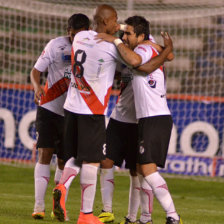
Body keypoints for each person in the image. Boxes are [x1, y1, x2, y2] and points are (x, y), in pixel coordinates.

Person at [52, 4, 173, 224]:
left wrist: (122, 33)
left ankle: (137, 216)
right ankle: (94, 213)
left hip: (80, 109)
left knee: (94, 160)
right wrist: (121, 42)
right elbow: (137, 64)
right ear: (108, 22)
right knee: (97, 161)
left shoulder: (80, 37)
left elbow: (143, 51)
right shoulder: (115, 48)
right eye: (116, 21)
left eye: (126, 29)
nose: (120, 27)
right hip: (103, 113)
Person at [95, 15, 182, 224]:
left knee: (146, 171)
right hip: (146, 118)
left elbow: (141, 66)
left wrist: (114, 40)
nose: (123, 36)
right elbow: (138, 70)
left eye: (127, 34)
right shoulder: (145, 45)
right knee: (143, 169)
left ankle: (171, 216)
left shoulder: (142, 50)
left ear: (141, 36)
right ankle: (145, 219)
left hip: (154, 118)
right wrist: (166, 48)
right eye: (122, 33)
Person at [30, 13, 90, 220]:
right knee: (45, 153)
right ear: (68, 32)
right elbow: (36, 71)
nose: (75, 39)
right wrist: (37, 87)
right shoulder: (56, 46)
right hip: (48, 108)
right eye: (72, 35)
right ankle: (39, 206)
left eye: (79, 35)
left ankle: (59, 203)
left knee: (65, 162)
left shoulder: (93, 48)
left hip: (72, 112)